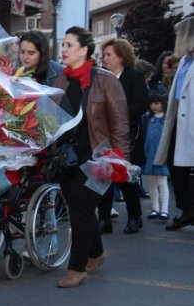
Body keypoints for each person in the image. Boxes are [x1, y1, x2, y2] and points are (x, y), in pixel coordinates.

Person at [52, 26, 130, 288]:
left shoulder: (106, 80)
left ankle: (77, 268)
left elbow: (120, 122)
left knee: (81, 206)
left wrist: (121, 161)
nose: (63, 49)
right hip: (68, 158)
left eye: (69, 45)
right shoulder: (59, 81)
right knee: (79, 208)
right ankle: (95, 254)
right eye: (63, 44)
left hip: (98, 157)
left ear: (84, 50)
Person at [99, 38, 148, 234]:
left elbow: (141, 105)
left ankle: (135, 217)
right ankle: (104, 219)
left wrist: (116, 112)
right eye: (104, 55)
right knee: (103, 176)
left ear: (121, 56)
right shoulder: (102, 77)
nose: (105, 58)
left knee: (126, 178)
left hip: (128, 135)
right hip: (105, 134)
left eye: (109, 55)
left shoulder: (134, 76)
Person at [154, 17, 194, 231]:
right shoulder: (185, 61)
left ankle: (188, 210)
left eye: (179, 34)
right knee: (175, 165)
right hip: (179, 119)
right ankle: (187, 209)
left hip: (190, 122)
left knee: (181, 167)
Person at [141, 93, 170, 222]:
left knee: (162, 182)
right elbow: (143, 134)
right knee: (152, 183)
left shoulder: (167, 118)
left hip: (162, 154)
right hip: (149, 154)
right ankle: (155, 208)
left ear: (163, 104)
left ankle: (164, 210)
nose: (154, 106)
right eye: (152, 103)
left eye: (157, 103)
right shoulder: (146, 118)